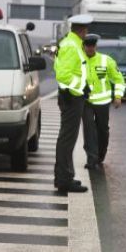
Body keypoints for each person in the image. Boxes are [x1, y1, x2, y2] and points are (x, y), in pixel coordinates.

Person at [54, 15, 91, 193]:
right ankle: (63, 179)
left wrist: (85, 86)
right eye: (86, 29)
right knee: (67, 139)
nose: (87, 32)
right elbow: (63, 75)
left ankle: (66, 176)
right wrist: (79, 88)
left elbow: (75, 71)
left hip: (72, 96)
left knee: (69, 139)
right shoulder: (71, 45)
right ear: (81, 29)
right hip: (71, 98)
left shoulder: (72, 43)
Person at [82, 34, 125, 170]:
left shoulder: (106, 61)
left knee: (102, 131)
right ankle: (91, 159)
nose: (90, 49)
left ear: (95, 46)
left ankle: (100, 155)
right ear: (84, 46)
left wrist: (118, 96)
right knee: (89, 130)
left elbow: (118, 79)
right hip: (86, 102)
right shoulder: (79, 61)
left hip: (102, 102)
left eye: (92, 46)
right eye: (87, 46)